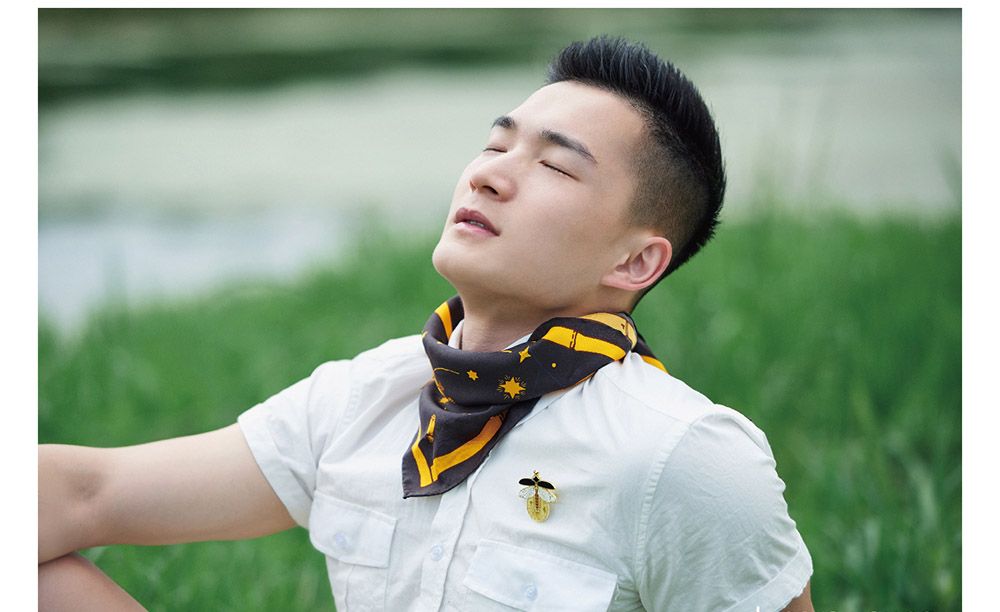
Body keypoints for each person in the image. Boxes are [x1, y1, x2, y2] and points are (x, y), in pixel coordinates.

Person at [39, 36, 814, 611]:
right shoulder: (366, 396)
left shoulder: (680, 454)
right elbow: (87, 494)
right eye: (495, 143)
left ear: (636, 262)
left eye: (553, 165)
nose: (488, 174)